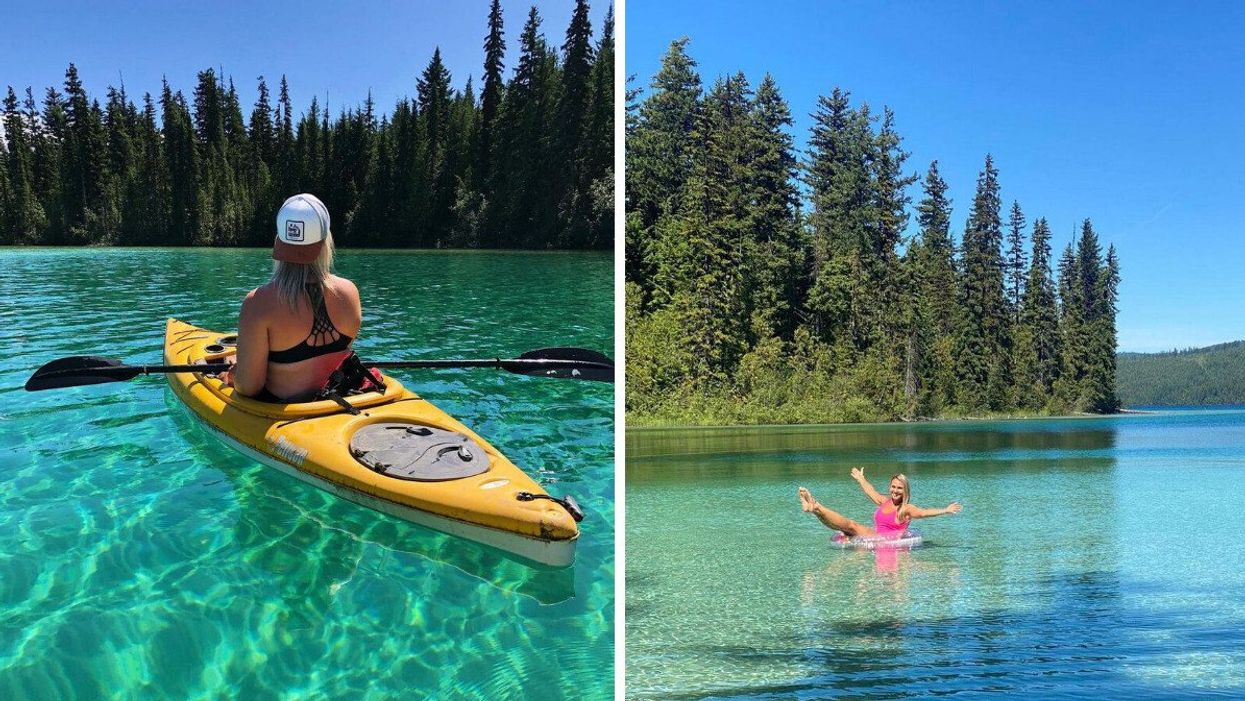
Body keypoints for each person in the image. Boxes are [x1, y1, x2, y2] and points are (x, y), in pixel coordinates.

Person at [221, 193, 362, 402]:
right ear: (326, 241)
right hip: (339, 402)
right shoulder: (349, 292)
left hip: (286, 411)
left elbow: (249, 388)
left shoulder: (258, 303)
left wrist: (233, 375)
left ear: (279, 241)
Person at [798, 468, 961, 539]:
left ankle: (816, 506)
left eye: (899, 488)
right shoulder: (885, 501)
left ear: (905, 490)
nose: (895, 491)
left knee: (851, 525)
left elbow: (924, 513)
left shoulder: (906, 509)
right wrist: (861, 479)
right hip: (874, 535)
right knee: (845, 528)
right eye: (893, 487)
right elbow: (871, 491)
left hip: (883, 539)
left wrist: (945, 510)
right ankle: (814, 509)